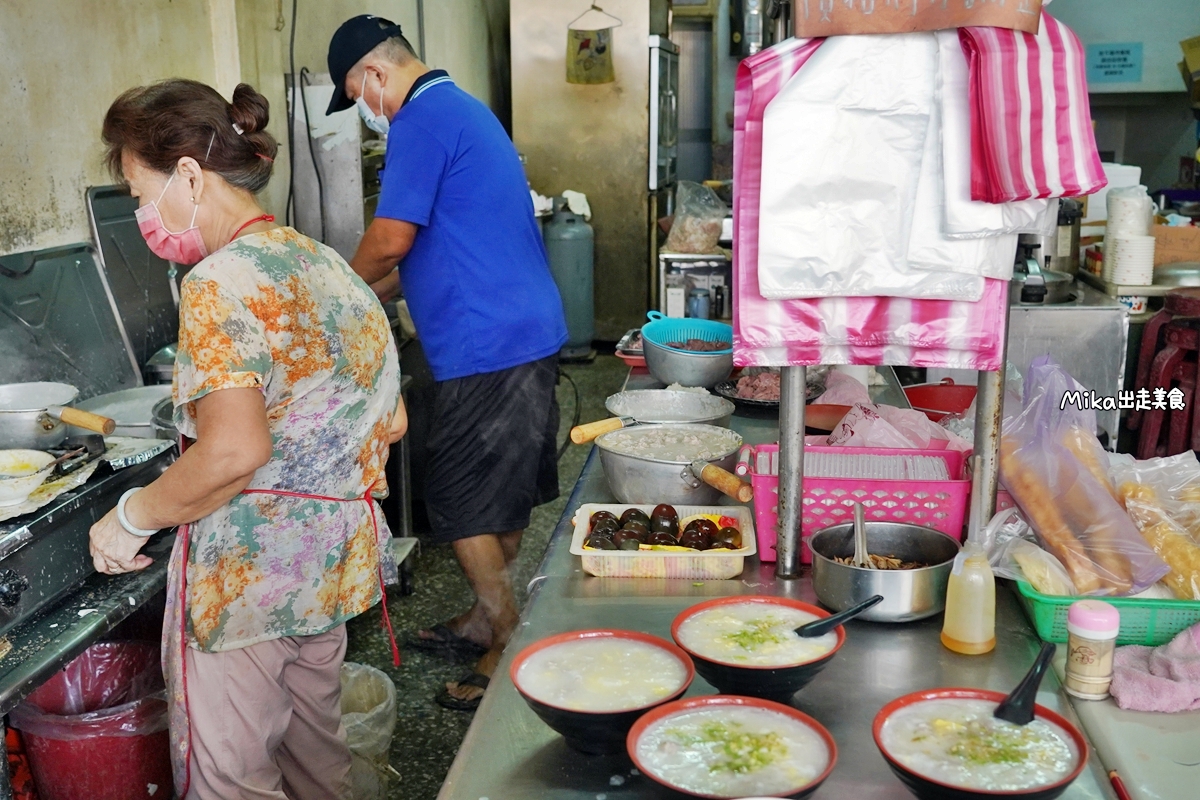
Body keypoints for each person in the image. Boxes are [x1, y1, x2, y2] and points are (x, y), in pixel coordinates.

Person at [90, 78, 405, 799]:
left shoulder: (219, 282)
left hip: (247, 589)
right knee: (316, 761)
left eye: (142, 195)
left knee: (232, 780)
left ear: (191, 175)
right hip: (327, 571)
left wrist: (129, 516)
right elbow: (392, 419)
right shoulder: (327, 266)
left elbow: (232, 453)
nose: (144, 216)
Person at [325, 15, 568, 711]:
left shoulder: (420, 121)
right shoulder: (463, 109)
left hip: (486, 342)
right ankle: (485, 615)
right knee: (504, 488)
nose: (364, 110)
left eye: (356, 94)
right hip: (520, 329)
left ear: (374, 76)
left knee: (461, 502)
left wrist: (323, 290)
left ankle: (509, 637)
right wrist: (363, 289)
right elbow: (426, 251)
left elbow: (392, 238)